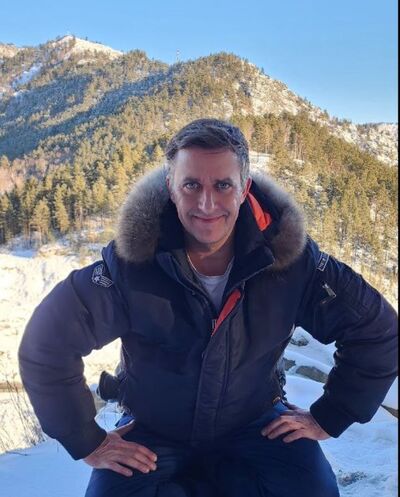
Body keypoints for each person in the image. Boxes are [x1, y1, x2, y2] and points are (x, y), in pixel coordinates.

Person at [19, 118, 398, 497]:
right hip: (152, 430)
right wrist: (87, 440)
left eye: (222, 185)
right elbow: (47, 344)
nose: (207, 203)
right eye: (191, 185)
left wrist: (330, 415)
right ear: (171, 187)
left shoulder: (290, 260)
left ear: (244, 187)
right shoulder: (133, 263)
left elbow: (376, 330)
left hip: (257, 424)